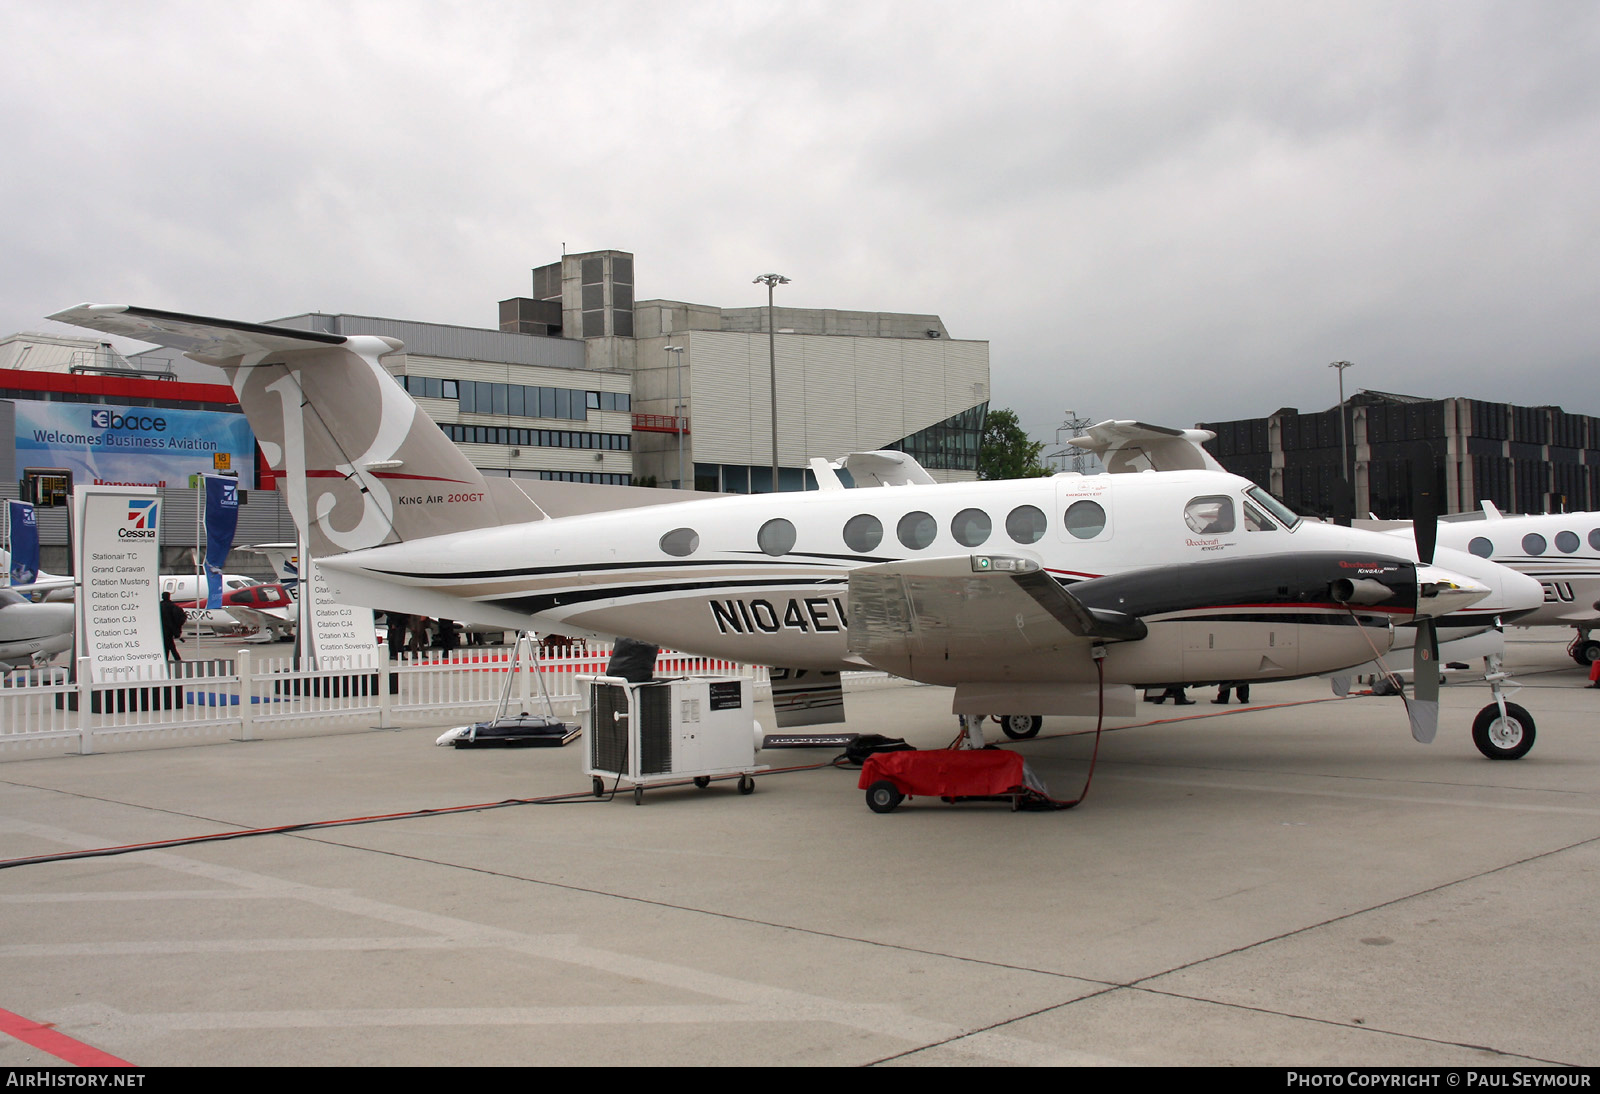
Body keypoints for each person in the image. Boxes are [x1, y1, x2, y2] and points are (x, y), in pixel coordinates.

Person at [160, 592, 188, 662]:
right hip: (170, 630)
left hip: (162, 630)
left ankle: (174, 659)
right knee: (170, 647)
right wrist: (177, 631)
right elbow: (181, 618)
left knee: (169, 647)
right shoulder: (174, 607)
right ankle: (177, 659)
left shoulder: (159, 607)